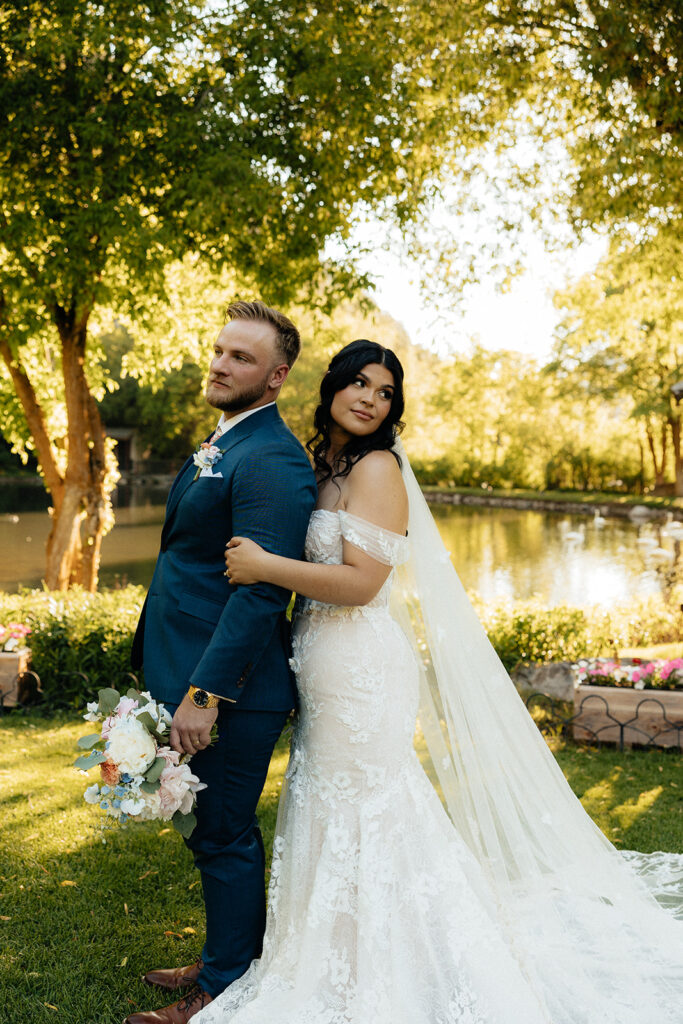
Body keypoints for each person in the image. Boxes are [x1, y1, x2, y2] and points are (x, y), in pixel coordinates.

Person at [189, 338, 683, 1024]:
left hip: (361, 665)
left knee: (370, 807)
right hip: (319, 662)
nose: (370, 399)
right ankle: (328, 951)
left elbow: (363, 584)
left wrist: (267, 567)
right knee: (326, 804)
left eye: (385, 392)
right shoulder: (323, 463)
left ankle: (398, 963)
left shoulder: (378, 469)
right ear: (332, 387)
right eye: (359, 383)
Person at [126, 301, 317, 1024]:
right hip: (191, 668)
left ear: (277, 376)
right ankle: (222, 960)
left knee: (226, 834)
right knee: (209, 830)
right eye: (218, 350)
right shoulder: (228, 439)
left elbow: (262, 590)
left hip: (233, 687)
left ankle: (227, 986)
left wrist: (204, 693)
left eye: (241, 357)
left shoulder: (272, 457)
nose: (220, 364)